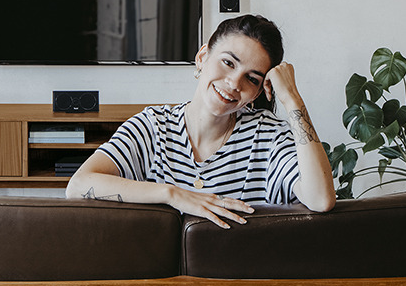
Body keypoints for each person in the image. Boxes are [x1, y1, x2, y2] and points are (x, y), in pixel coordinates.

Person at [65, 14, 336, 227]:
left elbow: (321, 200)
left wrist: (292, 99)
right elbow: (78, 185)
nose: (234, 83)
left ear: (258, 92)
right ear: (202, 57)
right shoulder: (152, 126)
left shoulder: (269, 135)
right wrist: (172, 195)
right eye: (228, 63)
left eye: (252, 79)